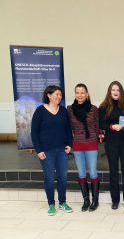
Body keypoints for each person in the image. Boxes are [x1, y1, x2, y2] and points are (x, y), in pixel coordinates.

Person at [31, 85, 73, 216]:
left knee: (63, 177)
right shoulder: (40, 111)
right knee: (49, 178)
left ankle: (62, 202)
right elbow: (34, 132)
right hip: (46, 151)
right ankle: (51, 204)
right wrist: (38, 150)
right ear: (48, 95)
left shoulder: (63, 111)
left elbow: (68, 129)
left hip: (62, 150)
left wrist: (69, 144)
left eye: (60, 95)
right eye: (56, 94)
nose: (59, 97)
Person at [99, 81, 124, 210]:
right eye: (113, 90)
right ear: (109, 91)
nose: (115, 92)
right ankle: (115, 200)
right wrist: (111, 126)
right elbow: (100, 124)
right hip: (111, 142)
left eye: (118, 90)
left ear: (121, 92)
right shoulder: (104, 107)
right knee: (113, 170)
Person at [68, 83, 100, 212]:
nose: (80, 95)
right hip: (78, 144)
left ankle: (95, 200)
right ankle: (86, 200)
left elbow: (96, 127)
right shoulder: (69, 110)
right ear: (75, 94)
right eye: (77, 92)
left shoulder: (93, 109)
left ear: (87, 94)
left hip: (91, 143)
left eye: (82, 92)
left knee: (92, 172)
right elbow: (68, 128)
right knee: (81, 172)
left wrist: (97, 137)